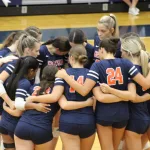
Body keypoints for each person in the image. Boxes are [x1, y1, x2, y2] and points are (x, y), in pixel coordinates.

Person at [54, 38, 150, 150]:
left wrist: (65, 76)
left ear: (102, 50)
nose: (98, 53)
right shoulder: (126, 63)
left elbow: (89, 92)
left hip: (104, 113)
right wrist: (124, 96)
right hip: (122, 113)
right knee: (115, 147)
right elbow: (138, 90)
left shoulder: (97, 66)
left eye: (99, 51)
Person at [26, 45, 96, 150]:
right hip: (88, 120)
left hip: (68, 121)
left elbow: (55, 97)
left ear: (71, 57)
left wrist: (33, 99)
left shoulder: (61, 74)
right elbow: (95, 99)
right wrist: (87, 103)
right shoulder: (92, 74)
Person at [0, 56, 39, 150]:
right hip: (15, 125)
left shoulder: (10, 77)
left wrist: (5, 107)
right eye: (36, 71)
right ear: (31, 70)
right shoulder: (24, 83)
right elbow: (18, 112)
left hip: (4, 123)